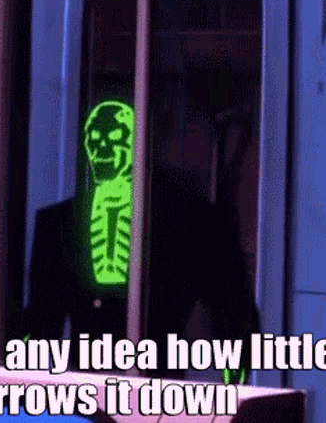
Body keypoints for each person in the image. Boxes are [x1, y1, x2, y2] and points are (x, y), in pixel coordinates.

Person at [18, 100, 259, 382]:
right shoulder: (58, 223)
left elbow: (227, 304)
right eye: (94, 139)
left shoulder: (188, 220)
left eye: (114, 138)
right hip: (87, 382)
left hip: (158, 380)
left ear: (136, 145)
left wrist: (236, 363)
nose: (102, 149)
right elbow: (42, 319)